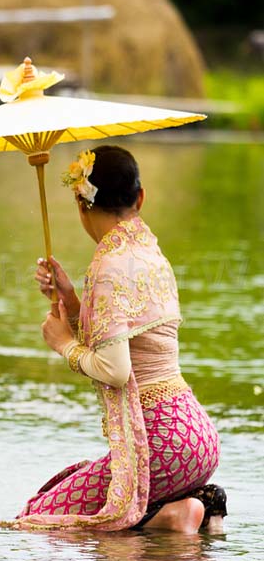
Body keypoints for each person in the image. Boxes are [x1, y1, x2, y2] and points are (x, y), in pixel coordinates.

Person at [15, 145, 226, 532]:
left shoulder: (109, 265)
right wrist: (72, 302)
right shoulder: (149, 252)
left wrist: (64, 343)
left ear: (81, 202)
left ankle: (171, 518)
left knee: (37, 519)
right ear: (140, 198)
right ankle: (181, 512)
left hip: (162, 443)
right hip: (197, 437)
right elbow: (125, 341)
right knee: (67, 486)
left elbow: (114, 370)